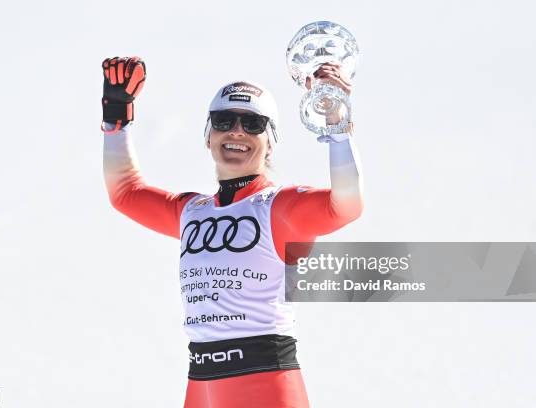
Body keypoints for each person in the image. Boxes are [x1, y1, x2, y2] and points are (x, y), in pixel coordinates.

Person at [101, 56, 363, 408]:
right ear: (208, 137)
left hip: (265, 381)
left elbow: (346, 205)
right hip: (201, 383)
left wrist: (338, 127)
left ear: (269, 142)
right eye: (224, 121)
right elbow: (125, 193)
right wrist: (116, 117)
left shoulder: (278, 207)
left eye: (252, 123)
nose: (236, 131)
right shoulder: (191, 211)